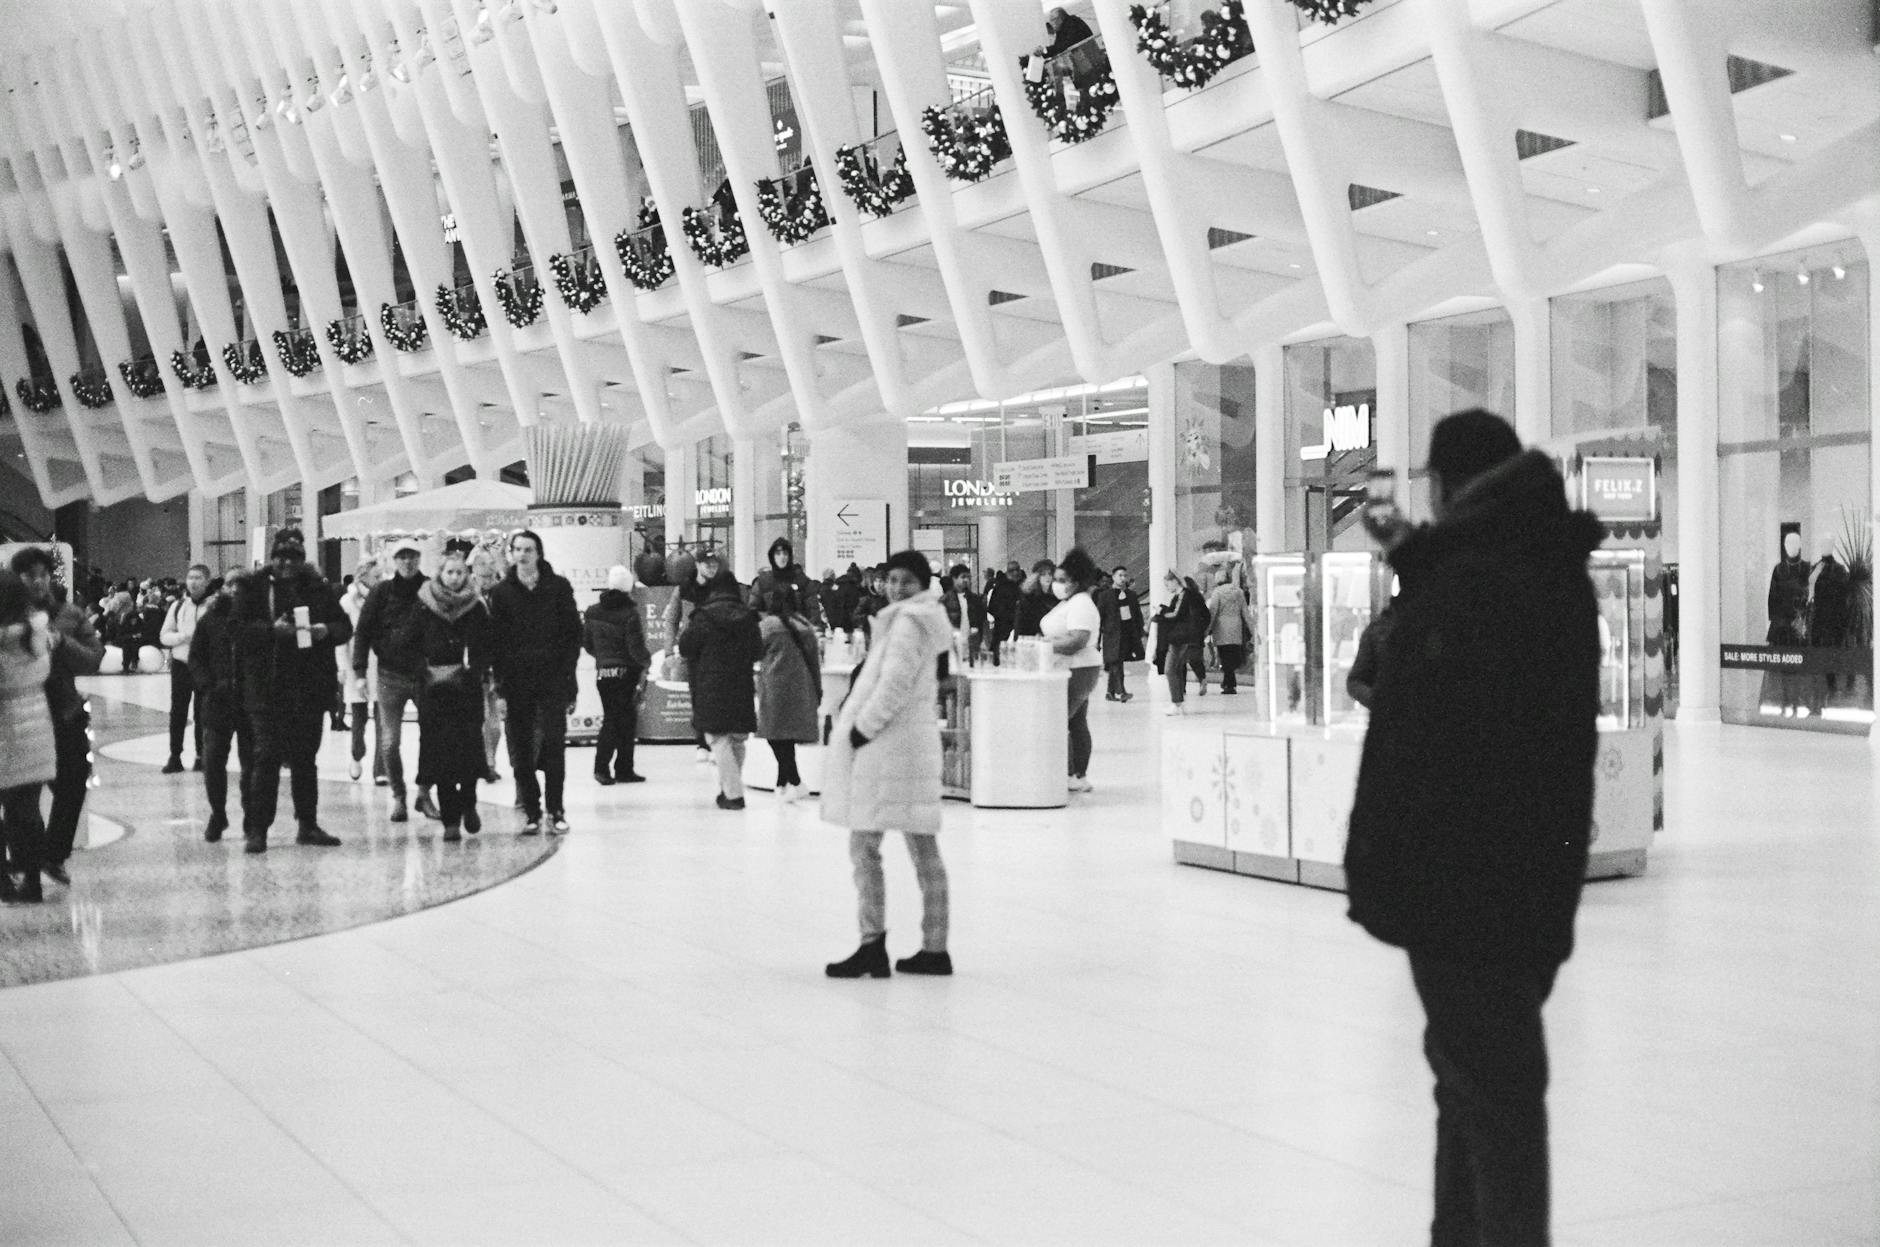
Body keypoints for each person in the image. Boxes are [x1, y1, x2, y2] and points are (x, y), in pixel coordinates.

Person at [1344, 409, 1602, 1247]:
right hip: (1513, 875)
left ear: (1453, 486)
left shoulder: (1492, 579)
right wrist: (1411, 553)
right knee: (1472, 1086)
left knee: (1493, 1099)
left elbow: (1448, 701)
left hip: (1467, 880)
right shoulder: (1532, 565)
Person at [822, 549, 955, 978]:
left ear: (922, 585)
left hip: (888, 749)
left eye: (906, 581)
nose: (896, 588)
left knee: (864, 847)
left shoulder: (908, 623)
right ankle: (934, 947)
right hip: (908, 749)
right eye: (891, 579)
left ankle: (872, 944)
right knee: (921, 846)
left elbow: (894, 683)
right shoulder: (920, 620)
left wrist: (862, 727)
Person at [231, 529, 350, 853]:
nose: (286, 563)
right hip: (267, 690)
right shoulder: (253, 589)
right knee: (266, 758)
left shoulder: (318, 589)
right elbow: (238, 632)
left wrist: (325, 630)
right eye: (281, 557)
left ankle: (307, 824)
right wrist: (272, 631)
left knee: (305, 760)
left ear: (302, 559)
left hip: (309, 689)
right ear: (272, 558)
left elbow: (344, 626)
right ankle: (258, 830)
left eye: (293, 557)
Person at [12, 546, 104, 886]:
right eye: (29, 575)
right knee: (22, 797)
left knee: (72, 785)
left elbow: (93, 658)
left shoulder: (69, 614)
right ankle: (27, 863)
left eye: (43, 575)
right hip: (21, 715)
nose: (37, 582)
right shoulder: (8, 617)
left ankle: (54, 855)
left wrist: (61, 642)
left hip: (64, 713)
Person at [488, 529, 583, 835]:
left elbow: (572, 635)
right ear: (512, 554)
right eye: (518, 549)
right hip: (517, 684)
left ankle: (556, 809)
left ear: (538, 553)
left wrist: (569, 680)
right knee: (521, 751)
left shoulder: (558, 587)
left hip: (553, 680)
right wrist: (500, 687)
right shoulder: (502, 593)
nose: (523, 554)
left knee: (555, 746)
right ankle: (532, 809)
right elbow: (496, 644)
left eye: (528, 549)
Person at [404, 543, 493, 843]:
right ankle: (450, 819)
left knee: (468, 751)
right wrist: (421, 669)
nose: (454, 578)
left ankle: (469, 804)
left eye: (459, 572)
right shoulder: (423, 604)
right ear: (440, 574)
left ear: (466, 574)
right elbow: (410, 642)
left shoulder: (476, 606)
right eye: (449, 572)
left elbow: (485, 645)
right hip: (433, 690)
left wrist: (477, 669)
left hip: (467, 688)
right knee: (440, 754)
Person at [352, 538, 438, 823]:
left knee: (432, 737)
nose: (407, 561)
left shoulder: (431, 589)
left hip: (426, 675)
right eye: (401, 556)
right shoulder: (381, 592)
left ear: (418, 558)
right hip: (390, 675)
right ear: (393, 560)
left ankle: (424, 793)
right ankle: (399, 795)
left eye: (412, 556)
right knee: (389, 742)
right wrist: (360, 672)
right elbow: (363, 632)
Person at [679, 570, 763, 810]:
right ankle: (728, 789)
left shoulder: (703, 617)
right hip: (741, 682)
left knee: (717, 737)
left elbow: (686, 647)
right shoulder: (748, 617)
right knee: (737, 738)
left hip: (712, 682)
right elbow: (758, 650)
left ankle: (734, 793)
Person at [0, 569, 56, 903]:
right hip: (37, 726)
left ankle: (3, 879)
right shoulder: (37, 632)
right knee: (28, 810)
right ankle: (33, 881)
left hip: (4, 726)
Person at [189, 570, 252, 843]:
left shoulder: (256, 619)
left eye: (241, 584)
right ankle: (218, 813)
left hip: (250, 703)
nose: (235, 589)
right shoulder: (210, 620)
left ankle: (252, 817)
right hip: (217, 702)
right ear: (222, 588)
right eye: (230, 584)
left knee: (251, 764)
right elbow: (196, 657)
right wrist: (207, 685)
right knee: (213, 761)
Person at [1042, 548, 1105, 794]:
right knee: (1076, 722)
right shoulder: (1070, 602)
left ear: (1076, 582)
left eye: (1061, 580)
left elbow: (1077, 640)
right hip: (1073, 668)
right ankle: (1077, 774)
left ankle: (1070, 773)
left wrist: (1045, 644)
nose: (1055, 584)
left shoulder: (1081, 604)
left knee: (1060, 721)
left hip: (1077, 668)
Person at [584, 565, 649, 786]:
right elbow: (635, 648)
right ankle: (610, 768)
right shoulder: (630, 613)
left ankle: (620, 768)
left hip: (603, 672)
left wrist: (603, 658)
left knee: (613, 718)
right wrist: (646, 663)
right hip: (626, 672)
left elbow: (587, 644)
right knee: (623, 720)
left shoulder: (592, 611)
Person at [756, 585, 822, 803]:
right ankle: (782, 783)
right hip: (801, 686)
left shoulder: (767, 626)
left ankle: (795, 781)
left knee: (774, 736)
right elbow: (815, 662)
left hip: (774, 685)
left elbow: (755, 652)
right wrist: (817, 689)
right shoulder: (806, 626)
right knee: (787, 737)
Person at [158, 564, 213, 772]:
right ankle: (175, 756)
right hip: (181, 666)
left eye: (198, 577)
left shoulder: (213, 606)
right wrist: (183, 637)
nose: (193, 581)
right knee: (178, 713)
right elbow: (164, 635)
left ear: (207, 581)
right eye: (190, 577)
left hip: (205, 667)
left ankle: (201, 756)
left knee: (202, 713)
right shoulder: (178, 606)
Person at [338, 555, 382, 783]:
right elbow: (341, 640)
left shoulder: (384, 599)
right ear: (363, 576)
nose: (380, 580)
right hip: (357, 665)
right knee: (358, 719)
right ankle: (356, 754)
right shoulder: (347, 602)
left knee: (384, 720)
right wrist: (342, 668)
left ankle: (380, 769)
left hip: (382, 665)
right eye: (376, 576)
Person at [1154, 571, 1210, 715]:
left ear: (1174, 581)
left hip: (1180, 638)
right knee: (1176, 669)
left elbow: (1176, 614)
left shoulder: (1184, 595)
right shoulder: (1185, 596)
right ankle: (1177, 702)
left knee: (1170, 669)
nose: (1167, 588)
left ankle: (1176, 703)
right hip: (1183, 637)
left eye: (1167, 584)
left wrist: (1160, 615)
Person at [750, 537, 825, 630]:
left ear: (790, 556)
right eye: (778, 554)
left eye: (785, 553)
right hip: (772, 635)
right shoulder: (763, 582)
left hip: (798, 635)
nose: (782, 557)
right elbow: (754, 612)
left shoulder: (803, 581)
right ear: (772, 557)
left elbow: (813, 612)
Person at [1205, 571, 1256, 695]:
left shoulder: (1217, 593)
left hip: (1222, 627)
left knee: (1224, 655)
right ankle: (1229, 682)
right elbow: (1245, 612)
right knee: (1232, 654)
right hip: (1236, 626)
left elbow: (1213, 612)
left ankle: (1229, 683)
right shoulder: (1239, 592)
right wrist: (1253, 630)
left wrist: (1207, 629)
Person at [1096, 566, 1142, 701]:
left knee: (1117, 662)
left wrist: (1139, 634)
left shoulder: (1131, 595)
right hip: (1111, 635)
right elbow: (1100, 618)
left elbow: (1137, 616)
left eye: (1125, 576)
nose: (1123, 578)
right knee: (1116, 662)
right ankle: (1121, 691)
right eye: (1120, 575)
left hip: (1127, 634)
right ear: (1114, 577)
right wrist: (1097, 640)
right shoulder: (1104, 596)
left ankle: (1110, 693)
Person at [940, 563, 987, 663]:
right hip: (952, 645)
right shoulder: (945, 600)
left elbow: (981, 621)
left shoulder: (975, 599)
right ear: (954, 579)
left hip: (972, 644)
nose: (966, 580)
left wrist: (982, 640)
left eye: (968, 577)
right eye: (963, 577)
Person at [986, 561, 1024, 661]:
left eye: (1017, 570)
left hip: (1019, 626)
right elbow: (992, 607)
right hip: (1003, 626)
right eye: (1012, 570)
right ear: (1007, 572)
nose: (1015, 573)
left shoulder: (1023, 586)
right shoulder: (1000, 587)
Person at [1014, 558, 1056, 638]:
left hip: (1052, 638)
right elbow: (1021, 623)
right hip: (1031, 638)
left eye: (1050, 574)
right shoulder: (1029, 597)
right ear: (1037, 577)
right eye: (1043, 574)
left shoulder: (1056, 597)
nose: (1047, 577)